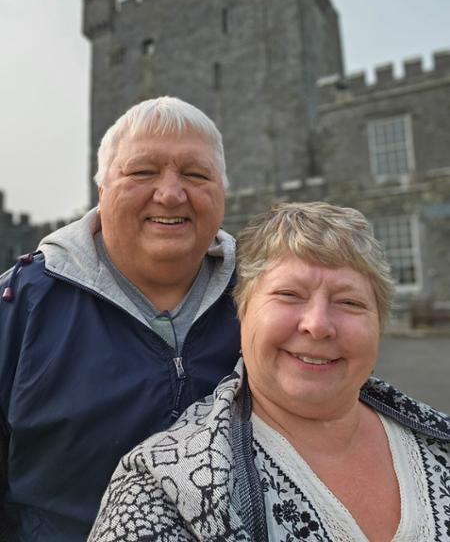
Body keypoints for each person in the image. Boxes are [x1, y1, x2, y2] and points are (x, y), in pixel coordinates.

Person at [89, 202, 450, 542]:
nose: (317, 325)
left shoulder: (437, 441)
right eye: (289, 294)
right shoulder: (162, 490)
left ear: (378, 324)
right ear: (242, 312)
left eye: (349, 302)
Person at [0, 97, 241, 541]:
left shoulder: (270, 301)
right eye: (142, 172)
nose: (170, 193)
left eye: (196, 174)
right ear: (103, 189)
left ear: (221, 193)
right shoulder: (18, 306)